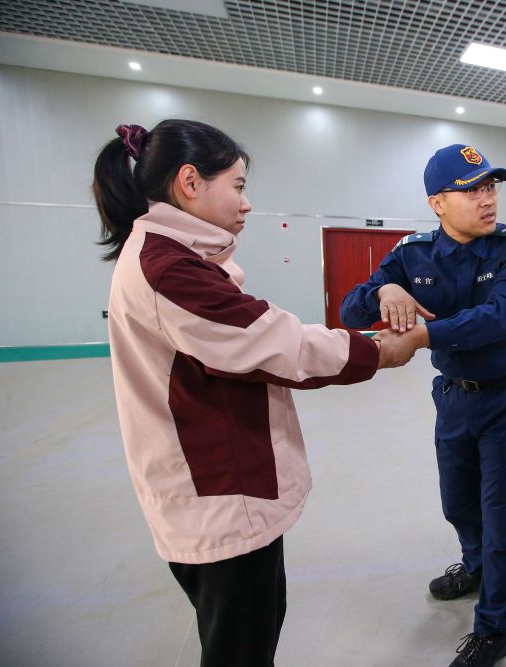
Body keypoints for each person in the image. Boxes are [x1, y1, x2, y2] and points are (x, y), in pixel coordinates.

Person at [93, 119, 412, 667]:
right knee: (241, 647)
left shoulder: (166, 253)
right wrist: (377, 352)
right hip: (217, 494)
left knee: (249, 633)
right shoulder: (167, 267)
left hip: (217, 485)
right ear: (190, 181)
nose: (246, 203)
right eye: (237, 186)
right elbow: (270, 342)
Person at [339, 144, 506, 667]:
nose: (487, 199)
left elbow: (503, 316)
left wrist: (423, 335)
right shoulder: (413, 253)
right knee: (458, 503)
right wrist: (384, 291)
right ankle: (474, 567)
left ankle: (494, 626)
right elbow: (349, 309)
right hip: (453, 398)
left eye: (491, 186)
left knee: (503, 519)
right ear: (437, 203)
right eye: (471, 190)